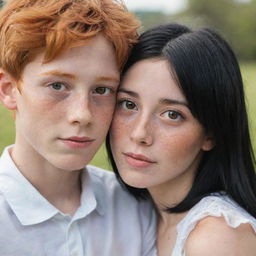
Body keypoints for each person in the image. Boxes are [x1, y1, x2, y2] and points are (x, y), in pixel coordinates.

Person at [0, 0, 157, 255]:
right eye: (58, 86)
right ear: (8, 89)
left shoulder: (137, 208)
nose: (82, 115)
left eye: (102, 90)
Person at [107, 23, 256, 255]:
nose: (139, 134)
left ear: (211, 133)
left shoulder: (217, 239)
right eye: (129, 104)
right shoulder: (140, 212)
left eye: (172, 115)